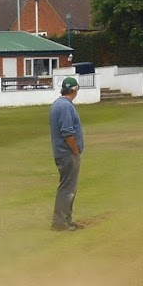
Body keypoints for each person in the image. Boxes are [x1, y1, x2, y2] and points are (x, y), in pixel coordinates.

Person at [49, 75, 85, 231]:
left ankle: (67, 219)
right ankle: (60, 222)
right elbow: (67, 132)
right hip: (67, 153)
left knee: (69, 188)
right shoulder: (65, 106)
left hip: (62, 152)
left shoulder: (58, 104)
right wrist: (75, 151)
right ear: (74, 90)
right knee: (67, 188)